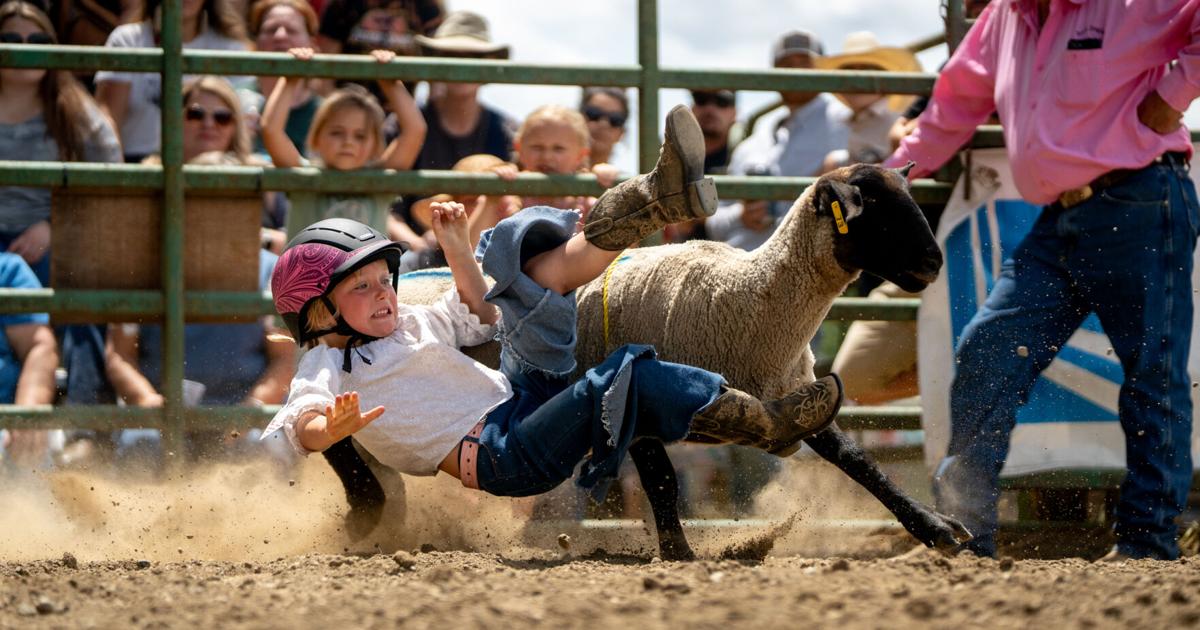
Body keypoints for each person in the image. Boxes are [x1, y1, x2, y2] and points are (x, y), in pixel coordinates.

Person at [261, 107, 844, 509]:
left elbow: (479, 314)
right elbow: (293, 425)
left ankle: (656, 197)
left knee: (523, 254)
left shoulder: (408, 323)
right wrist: (322, 430)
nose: (384, 292)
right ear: (316, 313)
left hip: (520, 395)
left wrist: (462, 248)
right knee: (624, 372)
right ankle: (765, 424)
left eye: (383, 280)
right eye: (359, 289)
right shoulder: (328, 367)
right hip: (502, 456)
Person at [885, 0, 1200, 561]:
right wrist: (896, 173)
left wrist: (1174, 95)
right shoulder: (1007, 16)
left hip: (1141, 199)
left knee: (1153, 373)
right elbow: (956, 100)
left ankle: (1146, 545)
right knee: (989, 349)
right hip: (1063, 217)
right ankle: (961, 534)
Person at [0, 0, 122, 286]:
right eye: (11, 40)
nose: (26, 48)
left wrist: (53, 228)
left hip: (57, 241)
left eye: (38, 40)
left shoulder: (76, 109)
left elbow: (109, 182)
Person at [706, 29, 849, 251]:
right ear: (774, 72)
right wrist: (741, 216)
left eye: (805, 63)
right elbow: (714, 224)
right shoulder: (756, 137)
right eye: (787, 64)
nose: (796, 72)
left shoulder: (846, 121)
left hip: (805, 267)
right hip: (738, 267)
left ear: (822, 69)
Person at [260, 46, 426, 235]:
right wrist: (290, 80)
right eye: (337, 133)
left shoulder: (381, 181)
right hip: (309, 266)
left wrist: (389, 81)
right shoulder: (302, 176)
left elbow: (415, 130)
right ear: (316, 138)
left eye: (360, 136)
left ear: (375, 145)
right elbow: (271, 129)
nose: (348, 142)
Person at [94, 0, 250, 163]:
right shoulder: (128, 40)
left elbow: (244, 121)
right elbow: (109, 119)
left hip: (214, 166)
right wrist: (118, 176)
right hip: (134, 162)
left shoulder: (230, 47)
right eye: (195, 114)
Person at [408, 10, 515, 171]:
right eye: (451, 56)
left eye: (473, 57)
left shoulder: (507, 131)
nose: (462, 67)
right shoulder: (405, 124)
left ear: (489, 64)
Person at [817, 31, 921, 172]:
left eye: (867, 70)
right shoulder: (853, 119)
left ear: (885, 80)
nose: (857, 79)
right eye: (848, 71)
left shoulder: (895, 121)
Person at [0, 252, 57, 471]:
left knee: (29, 450)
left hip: (6, 431)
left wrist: (29, 410)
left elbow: (39, 346)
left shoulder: (7, 269)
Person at [245, 0, 323, 158]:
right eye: (270, 29)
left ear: (312, 44)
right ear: (255, 43)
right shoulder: (235, 102)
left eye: (292, 30)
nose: (280, 36)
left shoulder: (325, 112)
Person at [664, 88, 740, 243]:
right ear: (692, 109)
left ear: (734, 113)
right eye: (701, 99)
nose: (710, 109)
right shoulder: (669, 153)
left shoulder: (747, 156)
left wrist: (698, 215)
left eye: (722, 101)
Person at [512, 104, 615, 215]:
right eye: (537, 147)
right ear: (519, 149)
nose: (547, 156)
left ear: (580, 155)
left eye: (558, 149)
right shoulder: (509, 196)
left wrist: (606, 178)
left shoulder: (585, 203)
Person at [579, 86, 627, 176]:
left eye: (615, 119)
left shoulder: (628, 185)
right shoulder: (552, 171)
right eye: (594, 114)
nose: (604, 124)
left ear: (621, 133)